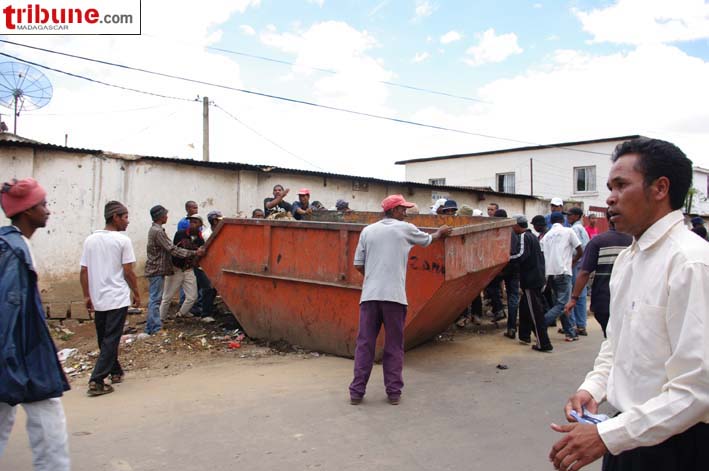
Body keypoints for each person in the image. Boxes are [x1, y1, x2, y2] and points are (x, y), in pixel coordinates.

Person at [550, 137, 709, 471]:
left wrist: (608, 436)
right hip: (628, 434)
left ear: (660, 188)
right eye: (610, 187)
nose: (610, 197)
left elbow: (698, 388)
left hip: (679, 445)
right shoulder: (628, 260)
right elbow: (617, 344)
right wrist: (594, 387)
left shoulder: (691, 262)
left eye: (621, 185)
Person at [349, 194, 452, 406]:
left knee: (365, 344)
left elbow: (358, 264)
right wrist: (441, 232)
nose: (405, 213)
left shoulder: (367, 231)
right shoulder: (405, 229)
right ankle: (393, 392)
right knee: (394, 345)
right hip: (394, 298)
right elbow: (429, 240)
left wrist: (373, 277)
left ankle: (356, 392)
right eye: (403, 209)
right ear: (394, 210)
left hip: (369, 297)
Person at [0, 178, 71, 470]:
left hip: (20, 351)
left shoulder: (11, 244)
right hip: (21, 352)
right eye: (43, 204)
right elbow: (8, 309)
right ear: (28, 210)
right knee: (49, 430)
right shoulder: (15, 250)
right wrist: (9, 360)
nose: (48, 210)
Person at [80, 201, 140, 397]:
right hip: (117, 297)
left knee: (104, 338)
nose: (127, 221)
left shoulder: (90, 240)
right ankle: (97, 380)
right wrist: (137, 292)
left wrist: (87, 295)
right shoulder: (123, 241)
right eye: (125, 217)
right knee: (111, 339)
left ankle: (115, 371)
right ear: (115, 217)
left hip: (99, 297)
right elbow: (128, 271)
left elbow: (84, 271)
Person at [563, 210, 631, 337]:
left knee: (610, 338)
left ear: (608, 220)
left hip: (603, 301)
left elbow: (584, 272)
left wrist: (573, 299)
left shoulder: (598, 242)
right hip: (629, 302)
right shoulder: (634, 241)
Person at [144, 205, 201, 335]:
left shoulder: (158, 230)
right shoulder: (159, 232)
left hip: (165, 269)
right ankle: (155, 327)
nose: (167, 217)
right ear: (161, 217)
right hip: (159, 269)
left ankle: (153, 326)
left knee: (157, 299)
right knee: (157, 299)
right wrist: (194, 253)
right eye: (165, 215)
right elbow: (173, 249)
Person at [510, 216, 553, 352]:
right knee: (525, 307)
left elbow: (521, 254)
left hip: (531, 279)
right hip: (536, 277)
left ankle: (543, 343)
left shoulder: (524, 237)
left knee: (535, 312)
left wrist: (506, 259)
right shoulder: (533, 236)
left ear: (517, 226)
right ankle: (524, 335)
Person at [541, 212, 582, 342]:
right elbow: (580, 249)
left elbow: (542, 256)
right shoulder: (568, 231)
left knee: (561, 304)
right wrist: (573, 262)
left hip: (551, 274)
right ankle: (541, 324)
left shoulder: (546, 237)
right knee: (563, 304)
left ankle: (570, 333)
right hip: (564, 271)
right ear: (563, 220)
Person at [159, 214, 204, 321]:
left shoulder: (200, 239)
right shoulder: (180, 234)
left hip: (189, 269)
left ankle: (181, 314)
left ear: (200, 225)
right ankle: (160, 319)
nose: (192, 224)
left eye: (195, 222)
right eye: (191, 222)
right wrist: (194, 253)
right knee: (167, 297)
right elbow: (176, 251)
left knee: (192, 296)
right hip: (176, 269)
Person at [567, 206, 591, 336]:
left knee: (576, 294)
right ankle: (580, 325)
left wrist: (573, 261)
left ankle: (576, 324)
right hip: (582, 263)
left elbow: (578, 249)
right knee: (581, 293)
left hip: (576, 263)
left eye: (570, 214)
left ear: (576, 216)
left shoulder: (575, 229)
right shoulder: (581, 228)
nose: (567, 217)